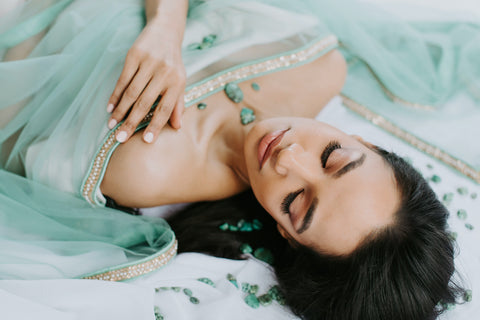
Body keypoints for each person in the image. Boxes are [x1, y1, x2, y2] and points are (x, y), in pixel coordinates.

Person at [0, 0, 477, 319]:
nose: (290, 158)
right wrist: (166, 28)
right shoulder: (318, 62)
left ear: (286, 236)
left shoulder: (142, 166)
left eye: (297, 202)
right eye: (333, 157)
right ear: (365, 142)